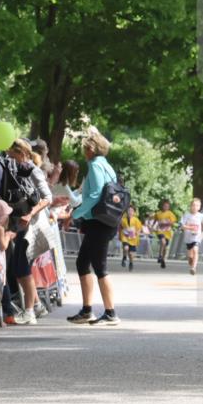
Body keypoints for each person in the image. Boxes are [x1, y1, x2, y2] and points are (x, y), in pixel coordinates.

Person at [67, 127, 120, 326]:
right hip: (103, 221)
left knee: (99, 266)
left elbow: (96, 195)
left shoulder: (96, 166)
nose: (84, 152)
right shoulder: (106, 165)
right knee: (82, 263)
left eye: (85, 148)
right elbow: (91, 194)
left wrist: (75, 213)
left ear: (92, 149)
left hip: (98, 222)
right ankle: (87, 309)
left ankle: (111, 312)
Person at [4, 138, 52, 325]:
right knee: (18, 268)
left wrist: (29, 214)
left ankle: (30, 311)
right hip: (23, 226)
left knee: (23, 267)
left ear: (21, 154)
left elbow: (47, 197)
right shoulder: (18, 170)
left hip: (32, 226)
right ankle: (37, 306)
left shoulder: (33, 171)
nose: (10, 159)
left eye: (13, 155)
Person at [180, 198, 203, 275]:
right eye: (193, 205)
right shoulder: (186, 215)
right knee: (190, 257)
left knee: (195, 250)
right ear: (190, 206)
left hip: (196, 237)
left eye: (197, 205)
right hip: (188, 238)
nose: (195, 207)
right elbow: (181, 226)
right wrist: (189, 228)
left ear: (199, 207)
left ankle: (193, 268)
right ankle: (191, 263)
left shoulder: (201, 215)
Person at [153, 199, 177, 268]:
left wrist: (167, 222)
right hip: (160, 230)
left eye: (167, 206)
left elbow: (173, 222)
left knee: (165, 247)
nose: (165, 207)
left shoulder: (170, 214)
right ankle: (160, 255)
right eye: (164, 206)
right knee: (163, 242)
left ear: (168, 207)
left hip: (167, 232)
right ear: (162, 206)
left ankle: (163, 259)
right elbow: (155, 220)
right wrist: (152, 227)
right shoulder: (158, 213)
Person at [119, 204, 143, 272]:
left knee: (131, 254)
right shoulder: (123, 219)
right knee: (126, 248)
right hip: (125, 237)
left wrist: (136, 233)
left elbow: (139, 229)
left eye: (131, 211)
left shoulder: (136, 220)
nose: (130, 212)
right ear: (126, 211)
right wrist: (120, 235)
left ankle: (131, 263)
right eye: (128, 210)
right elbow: (120, 227)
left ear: (134, 212)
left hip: (133, 238)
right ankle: (124, 257)